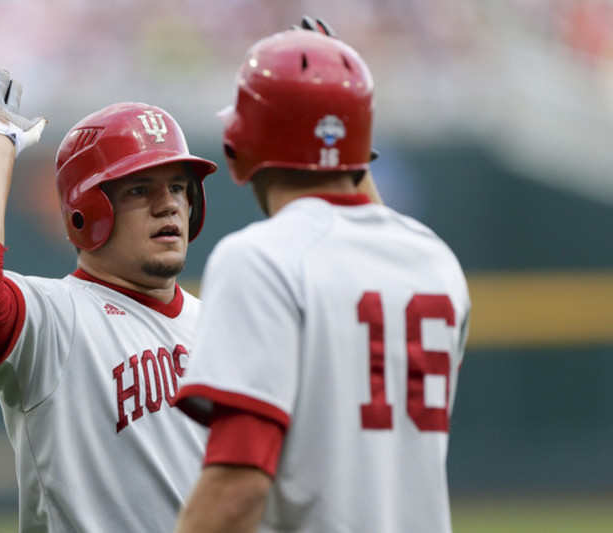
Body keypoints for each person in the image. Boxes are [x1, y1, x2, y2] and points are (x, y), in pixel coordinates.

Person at [173, 17, 471, 533]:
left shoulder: (260, 257)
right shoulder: (436, 260)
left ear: (241, 148)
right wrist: (337, 108)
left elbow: (238, 485)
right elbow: (357, 222)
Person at [0, 66, 218, 532]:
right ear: (85, 211)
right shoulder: (57, 318)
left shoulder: (220, 328)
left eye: (179, 187)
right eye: (141, 189)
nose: (170, 205)